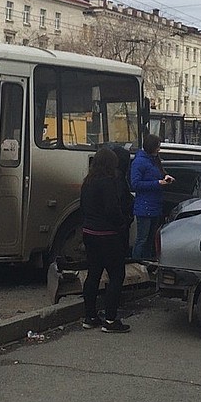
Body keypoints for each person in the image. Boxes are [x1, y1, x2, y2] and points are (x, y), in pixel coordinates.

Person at [79, 147, 133, 333]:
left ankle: (90, 316)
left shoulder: (88, 181)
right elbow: (112, 210)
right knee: (116, 276)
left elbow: (83, 207)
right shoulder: (108, 182)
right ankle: (110, 320)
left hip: (89, 233)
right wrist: (122, 223)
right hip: (108, 236)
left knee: (93, 275)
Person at [130, 133, 172, 261]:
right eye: (157, 147)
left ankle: (146, 263)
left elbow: (158, 174)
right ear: (151, 147)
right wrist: (158, 183)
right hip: (144, 206)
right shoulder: (139, 162)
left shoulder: (154, 160)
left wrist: (165, 177)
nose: (159, 149)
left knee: (149, 240)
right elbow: (135, 184)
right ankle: (136, 263)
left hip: (154, 205)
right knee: (142, 239)